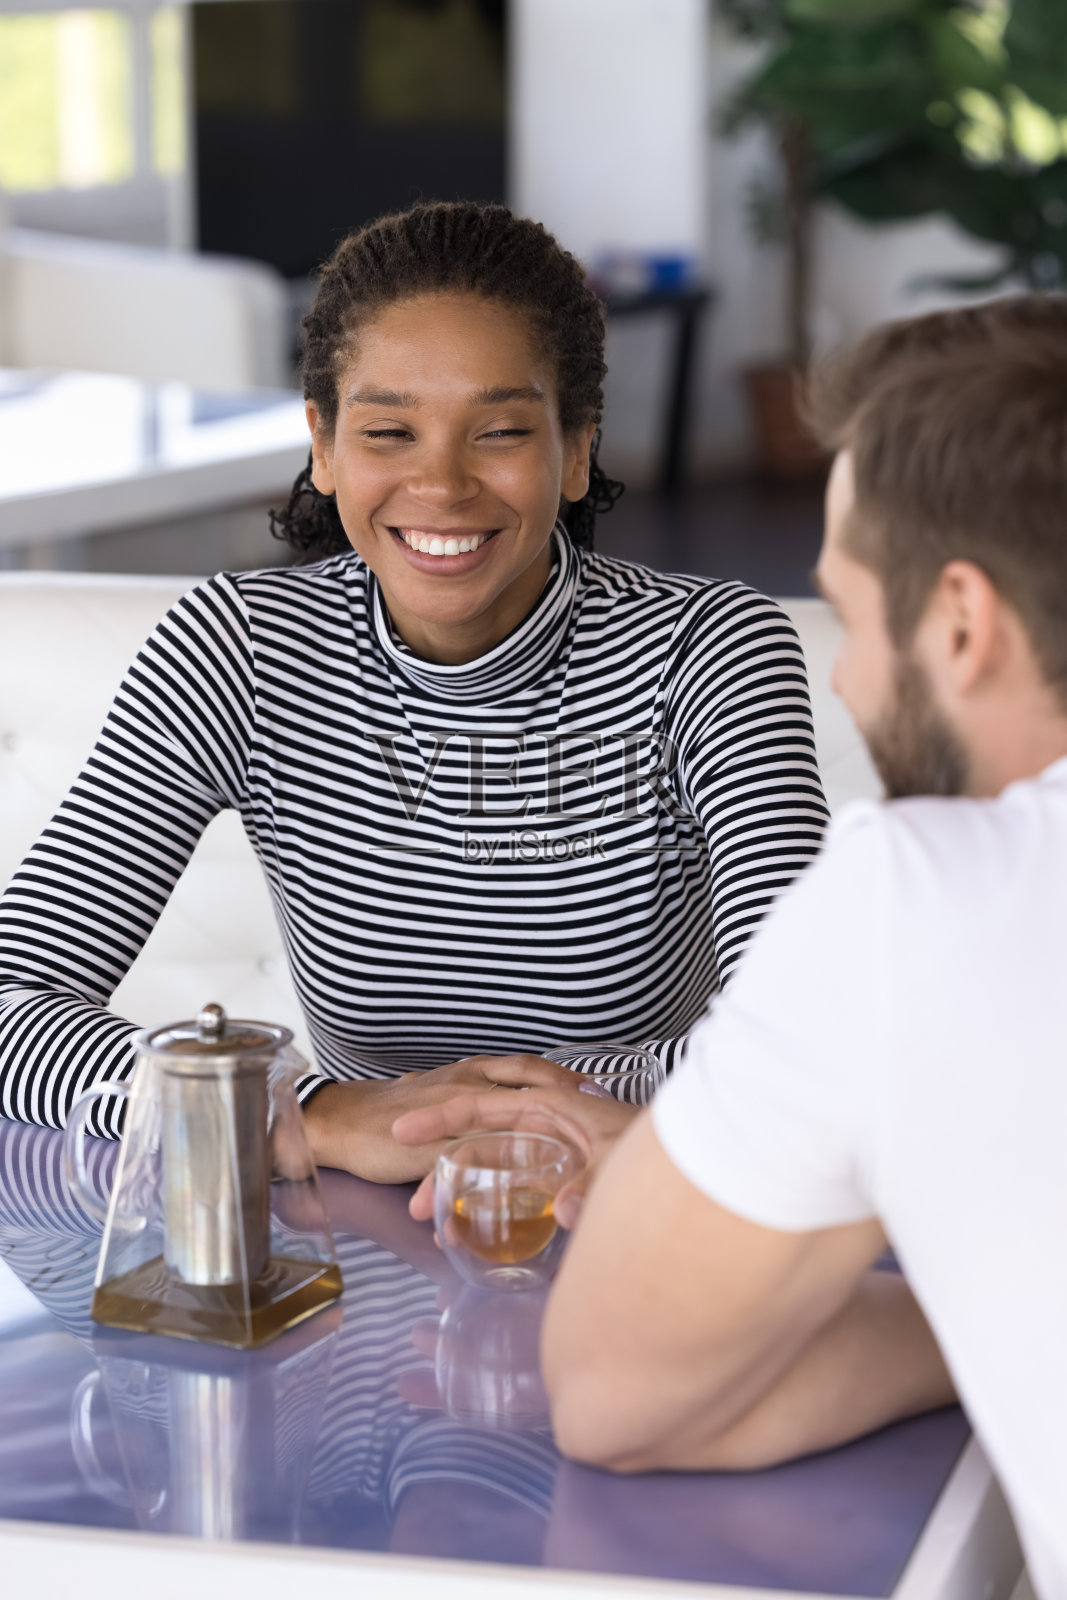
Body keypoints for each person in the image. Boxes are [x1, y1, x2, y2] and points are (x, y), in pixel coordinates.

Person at [395, 296, 1067, 1597]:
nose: (843, 678)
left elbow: (613, 1394)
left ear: (961, 625)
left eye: (853, 619)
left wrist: (963, 1299)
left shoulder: (925, 896)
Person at [0, 200, 828, 1179]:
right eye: (389, 430)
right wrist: (304, 1113)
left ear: (573, 450)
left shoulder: (709, 651)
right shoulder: (238, 649)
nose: (439, 483)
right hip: (348, 1243)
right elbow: (16, 1000)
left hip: (626, 1216)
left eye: (500, 431)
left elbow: (801, 1031)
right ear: (323, 443)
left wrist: (519, 1121)